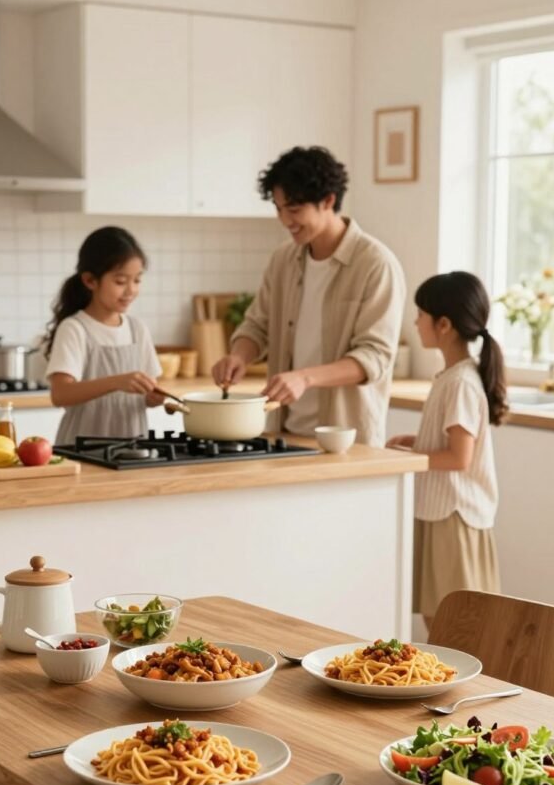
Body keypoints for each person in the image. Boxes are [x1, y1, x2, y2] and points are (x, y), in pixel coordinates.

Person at [212, 146, 406, 446]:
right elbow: (257, 325)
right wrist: (239, 355)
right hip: (282, 433)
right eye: (278, 209)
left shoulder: (375, 264)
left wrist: (305, 377)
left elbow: (374, 357)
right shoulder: (282, 261)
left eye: (293, 209)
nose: (285, 220)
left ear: (328, 201)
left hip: (346, 442)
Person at [386, 271, 509, 629]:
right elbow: (454, 443)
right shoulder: (454, 377)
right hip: (442, 514)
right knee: (439, 621)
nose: (415, 322)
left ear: (443, 325)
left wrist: (412, 459)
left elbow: (459, 457)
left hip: (454, 517)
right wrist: (419, 443)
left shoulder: (460, 383)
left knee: (454, 626)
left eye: (420, 315)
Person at [44, 226, 165, 442]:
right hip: (81, 452)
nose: (131, 290)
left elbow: (145, 392)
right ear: (90, 280)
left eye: (137, 280)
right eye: (120, 282)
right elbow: (61, 394)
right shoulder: (75, 329)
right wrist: (116, 382)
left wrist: (153, 398)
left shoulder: (138, 329)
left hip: (132, 450)